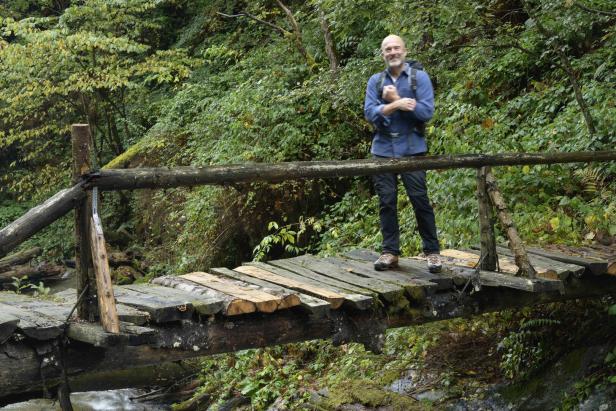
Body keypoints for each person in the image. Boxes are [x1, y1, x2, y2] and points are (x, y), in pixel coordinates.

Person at [364, 34, 442, 273]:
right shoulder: (376, 81)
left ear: (405, 51)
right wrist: (395, 105)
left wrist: (396, 99)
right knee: (386, 202)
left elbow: (426, 112)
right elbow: (370, 113)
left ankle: (432, 252)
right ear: (382, 54)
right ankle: (389, 252)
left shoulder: (420, 78)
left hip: (412, 150)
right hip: (382, 150)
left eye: (396, 47)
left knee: (420, 200)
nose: (392, 52)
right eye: (388, 49)